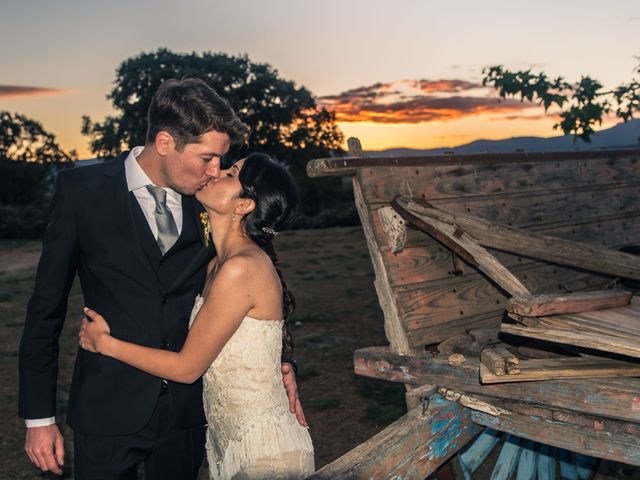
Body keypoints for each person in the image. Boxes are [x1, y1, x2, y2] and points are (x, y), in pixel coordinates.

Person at [18, 78, 304, 479]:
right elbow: (45, 308)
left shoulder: (210, 204)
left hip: (186, 414)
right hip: (106, 408)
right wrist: (38, 417)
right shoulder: (81, 191)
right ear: (166, 143)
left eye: (222, 161)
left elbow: (254, 287)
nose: (215, 171)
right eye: (207, 158)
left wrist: (281, 361)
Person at [79, 153, 315, 480]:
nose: (216, 172)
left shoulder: (240, 268)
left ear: (244, 205)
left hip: (263, 452)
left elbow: (187, 368)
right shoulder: (214, 263)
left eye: (230, 174)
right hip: (228, 446)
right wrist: (284, 362)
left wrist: (105, 344)